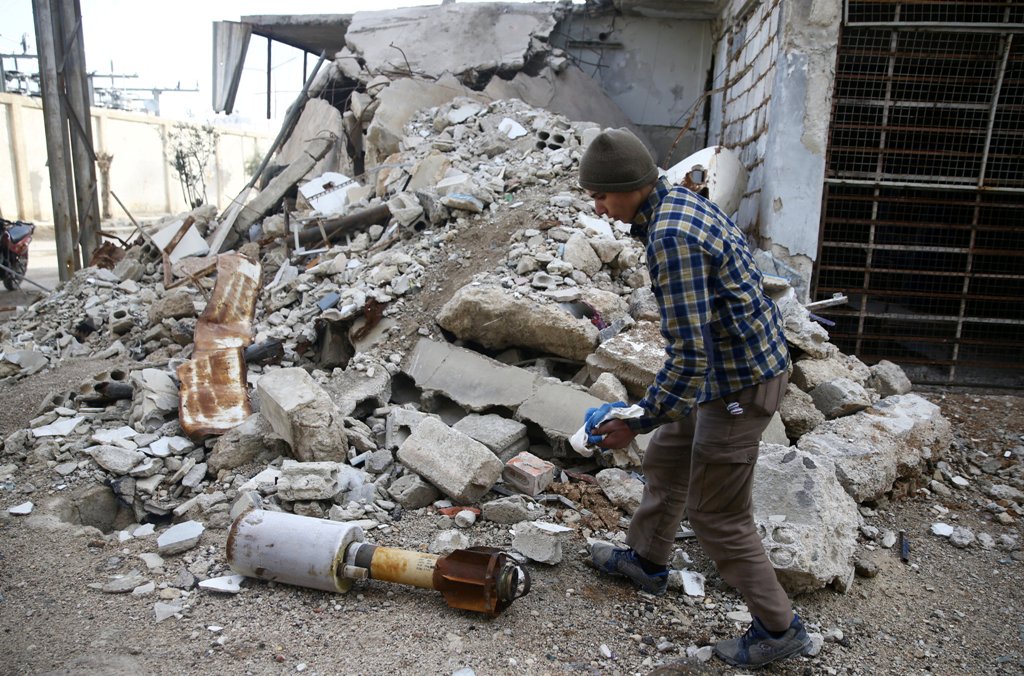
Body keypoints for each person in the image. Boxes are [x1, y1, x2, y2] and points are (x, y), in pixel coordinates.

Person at [577, 128, 810, 669]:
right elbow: (695, 353)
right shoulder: (674, 204)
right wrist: (648, 416)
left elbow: (689, 355)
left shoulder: (671, 236)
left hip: (741, 385)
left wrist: (637, 420)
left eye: (602, 196)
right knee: (669, 455)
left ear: (631, 186)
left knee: (717, 514)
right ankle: (646, 561)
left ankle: (780, 628)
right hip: (723, 370)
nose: (598, 207)